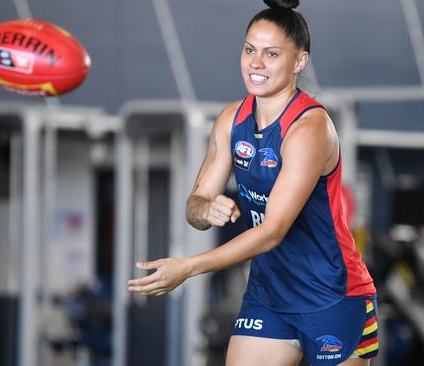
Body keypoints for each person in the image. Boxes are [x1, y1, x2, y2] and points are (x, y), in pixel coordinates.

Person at [127, 0, 378, 364]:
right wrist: (205, 208)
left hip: (332, 296)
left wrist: (188, 267)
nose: (256, 63)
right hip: (268, 296)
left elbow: (273, 231)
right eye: (249, 50)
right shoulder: (232, 119)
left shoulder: (309, 128)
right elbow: (194, 204)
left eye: (271, 53)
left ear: (300, 61)